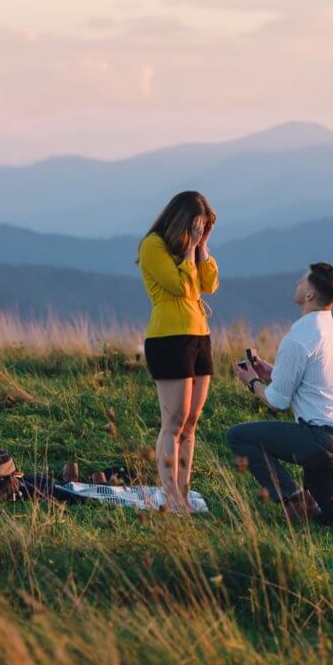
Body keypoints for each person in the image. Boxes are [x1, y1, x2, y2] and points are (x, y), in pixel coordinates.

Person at [228, 262, 333, 529]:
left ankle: (292, 498)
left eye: (301, 280)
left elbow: (277, 401)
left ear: (309, 294)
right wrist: (271, 373)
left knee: (238, 436)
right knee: (319, 514)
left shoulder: (298, 338)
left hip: (323, 443)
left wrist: (251, 380)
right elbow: (318, 384)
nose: (297, 283)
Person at [137, 191, 219, 512]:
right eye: (196, 227)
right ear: (181, 221)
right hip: (169, 337)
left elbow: (210, 284)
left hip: (199, 336)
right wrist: (187, 251)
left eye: (204, 228)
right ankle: (170, 494)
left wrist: (202, 249)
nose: (198, 233)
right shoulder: (153, 246)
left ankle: (183, 494)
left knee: (192, 422)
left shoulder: (194, 251)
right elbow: (182, 287)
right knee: (174, 420)